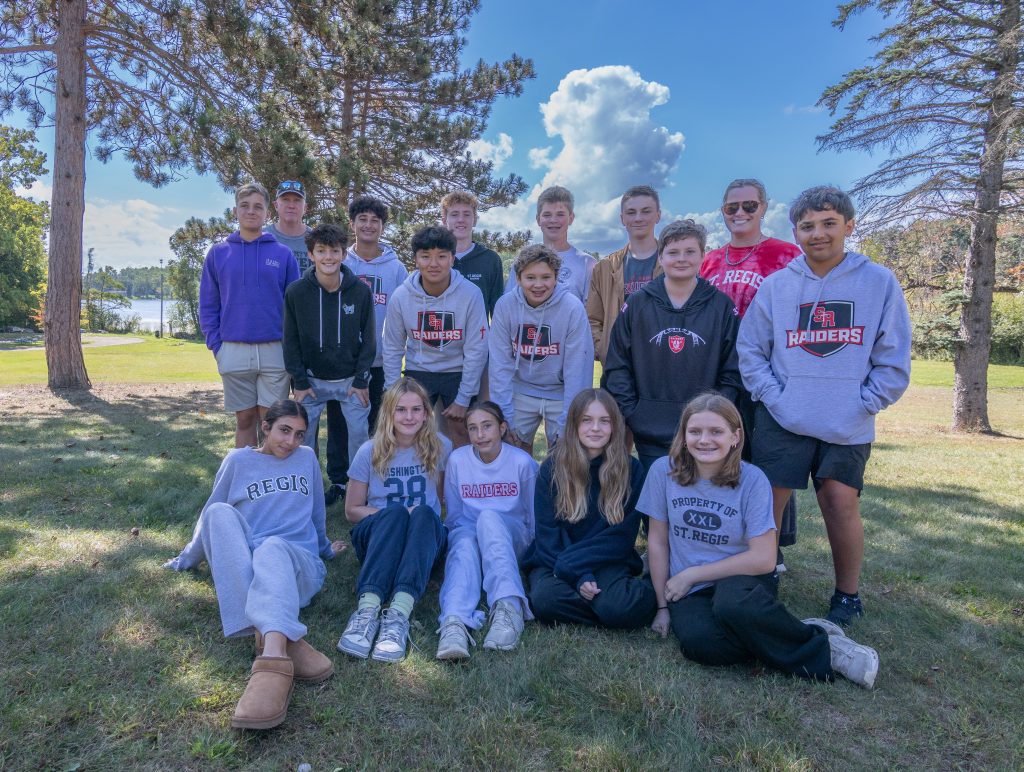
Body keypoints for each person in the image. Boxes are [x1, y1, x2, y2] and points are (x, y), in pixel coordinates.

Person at [738, 185, 911, 627]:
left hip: (847, 420)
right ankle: (762, 578)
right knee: (768, 504)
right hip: (783, 417)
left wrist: (864, 403)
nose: (818, 233)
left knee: (839, 502)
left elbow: (893, 359)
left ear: (849, 226)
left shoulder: (878, 282)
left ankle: (847, 595)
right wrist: (775, 397)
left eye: (829, 223)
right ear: (795, 231)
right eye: (807, 226)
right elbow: (751, 350)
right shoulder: (778, 286)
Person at [640, 393, 879, 688]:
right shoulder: (663, 471)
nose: (704, 440)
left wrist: (692, 574)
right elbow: (658, 542)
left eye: (716, 432)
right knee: (701, 644)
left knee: (732, 606)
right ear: (684, 436)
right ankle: (784, 629)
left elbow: (764, 559)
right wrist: (662, 608)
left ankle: (826, 649)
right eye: (695, 431)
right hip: (689, 589)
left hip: (742, 580)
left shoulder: (752, 480)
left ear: (735, 437)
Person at [165, 400, 345, 729]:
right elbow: (209, 515)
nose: (291, 441)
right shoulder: (237, 461)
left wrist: (325, 550)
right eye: (284, 431)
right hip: (256, 567)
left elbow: (317, 512)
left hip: (299, 566)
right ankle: (278, 637)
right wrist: (188, 558)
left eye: (299, 434)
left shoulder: (306, 458)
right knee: (218, 513)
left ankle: (272, 657)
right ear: (265, 427)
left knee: (272, 546)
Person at [700, 178, 803, 565]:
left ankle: (770, 545)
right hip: (719, 372)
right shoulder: (710, 260)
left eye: (749, 206)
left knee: (768, 460)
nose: (740, 213)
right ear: (723, 212)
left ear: (764, 208)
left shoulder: (786, 255)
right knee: (722, 454)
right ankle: (723, 537)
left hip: (769, 370)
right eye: (732, 207)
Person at [604, 219, 741, 472]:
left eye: (690, 251)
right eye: (673, 252)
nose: (681, 259)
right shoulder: (637, 304)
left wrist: (716, 414)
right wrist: (634, 413)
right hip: (650, 430)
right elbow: (618, 364)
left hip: (705, 432)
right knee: (657, 495)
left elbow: (733, 370)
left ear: (702, 255)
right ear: (660, 256)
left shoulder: (721, 307)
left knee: (700, 494)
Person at [338, 378, 452, 662]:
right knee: (397, 512)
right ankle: (367, 611)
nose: (409, 417)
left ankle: (398, 615)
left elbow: (441, 501)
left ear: (426, 414)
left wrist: (415, 516)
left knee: (423, 513)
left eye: (416, 409)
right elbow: (352, 510)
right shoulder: (369, 450)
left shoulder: (441, 447)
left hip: (421, 539)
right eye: (401, 410)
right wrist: (397, 514)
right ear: (389, 413)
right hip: (379, 538)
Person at [523, 389, 656, 629]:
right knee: (545, 599)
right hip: (556, 558)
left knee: (621, 607)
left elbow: (621, 538)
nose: (595, 428)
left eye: (604, 421)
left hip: (606, 559)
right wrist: (578, 575)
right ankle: (606, 609)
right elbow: (548, 535)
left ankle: (614, 606)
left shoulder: (631, 470)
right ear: (574, 424)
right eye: (587, 420)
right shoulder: (552, 469)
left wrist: (579, 569)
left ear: (615, 426)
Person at [266, 180, 349, 506]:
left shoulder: (319, 240)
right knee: (294, 420)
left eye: (296, 200)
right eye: (284, 199)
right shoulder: (266, 239)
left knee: (338, 423)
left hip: (331, 354)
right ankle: (293, 481)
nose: (291, 205)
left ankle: (339, 481)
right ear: (276, 204)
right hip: (291, 345)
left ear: (305, 205)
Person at [436, 402, 539, 659]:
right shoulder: (458, 461)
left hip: (511, 539)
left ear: (502, 428)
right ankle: (454, 621)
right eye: (473, 428)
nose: (480, 435)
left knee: (489, 517)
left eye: (487, 426)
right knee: (464, 541)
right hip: (471, 536)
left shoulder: (522, 462)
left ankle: (509, 606)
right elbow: (455, 516)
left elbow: (533, 517)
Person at [200, 182, 299, 448]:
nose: (251, 211)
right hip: (233, 349)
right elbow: (208, 305)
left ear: (268, 212)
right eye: (244, 206)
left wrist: (290, 347)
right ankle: (245, 471)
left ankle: (271, 472)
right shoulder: (218, 253)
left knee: (271, 421)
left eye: (258, 206)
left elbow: (295, 309)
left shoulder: (283, 254)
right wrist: (217, 347)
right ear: (235, 211)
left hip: (274, 350)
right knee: (244, 419)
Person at [283, 223, 376, 493]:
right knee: (303, 439)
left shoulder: (360, 291)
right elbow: (290, 341)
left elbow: (370, 340)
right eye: (321, 251)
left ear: (344, 254)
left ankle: (359, 490)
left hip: (350, 381)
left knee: (359, 437)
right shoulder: (296, 292)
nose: (328, 257)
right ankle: (305, 488)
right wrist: (299, 381)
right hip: (311, 381)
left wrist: (361, 380)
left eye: (334, 251)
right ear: (311, 254)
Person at [383, 225, 489, 448]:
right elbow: (392, 347)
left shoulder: (471, 294)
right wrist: (394, 392)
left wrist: (464, 398)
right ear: (415, 260)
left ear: (452, 259)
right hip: (419, 369)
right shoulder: (401, 296)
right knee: (410, 431)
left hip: (457, 370)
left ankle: (462, 472)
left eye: (441, 256)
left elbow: (476, 350)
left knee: (462, 431)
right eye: (425, 256)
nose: (434, 263)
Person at [489, 244, 594, 453]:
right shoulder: (505, 306)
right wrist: (505, 417)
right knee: (512, 451)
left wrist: (568, 424)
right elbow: (499, 366)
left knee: (563, 456)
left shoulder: (572, 308)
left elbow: (577, 369)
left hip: (560, 390)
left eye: (546, 277)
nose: (538, 285)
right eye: (530, 277)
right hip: (521, 388)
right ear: (518, 278)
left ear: (556, 278)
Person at [343, 194, 409, 438]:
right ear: (352, 224)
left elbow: (405, 315)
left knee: (381, 429)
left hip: (382, 361)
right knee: (343, 429)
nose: (368, 225)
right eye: (362, 219)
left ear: (382, 226)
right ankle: (342, 466)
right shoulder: (341, 263)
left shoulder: (396, 268)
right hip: (346, 362)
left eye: (375, 220)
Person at [587, 185, 663, 367]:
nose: (638, 218)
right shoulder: (605, 267)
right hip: (618, 365)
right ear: (622, 219)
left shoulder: (674, 263)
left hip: (662, 361)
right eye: (631, 212)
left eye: (646, 211)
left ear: (658, 216)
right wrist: (604, 349)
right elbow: (593, 319)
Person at [505, 186, 597, 303]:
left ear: (571, 218)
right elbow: (510, 303)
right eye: (547, 215)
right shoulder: (522, 261)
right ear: (538, 219)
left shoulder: (587, 264)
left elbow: (591, 310)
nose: (553, 220)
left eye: (560, 214)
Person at [442, 190, 505, 319]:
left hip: (479, 332)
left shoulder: (490, 259)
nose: (461, 219)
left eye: (466, 214)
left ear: (475, 220)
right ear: (444, 220)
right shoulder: (433, 259)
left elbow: (497, 312)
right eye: (454, 214)